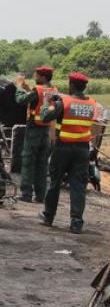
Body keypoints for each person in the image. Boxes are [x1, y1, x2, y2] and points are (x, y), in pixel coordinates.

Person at [40, 72, 99, 234]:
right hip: (82, 150)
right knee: (78, 186)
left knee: (54, 183)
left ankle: (48, 217)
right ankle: (76, 223)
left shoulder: (64, 102)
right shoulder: (92, 104)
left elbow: (45, 117)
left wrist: (48, 103)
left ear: (71, 85)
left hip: (63, 148)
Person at [14, 66, 58, 202]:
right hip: (46, 130)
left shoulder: (37, 90)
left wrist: (19, 86)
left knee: (28, 161)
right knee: (42, 164)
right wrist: (28, 90)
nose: (34, 77)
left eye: (37, 75)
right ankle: (40, 196)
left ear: (43, 77)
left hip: (34, 130)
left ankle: (26, 194)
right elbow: (36, 100)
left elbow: (20, 100)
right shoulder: (53, 90)